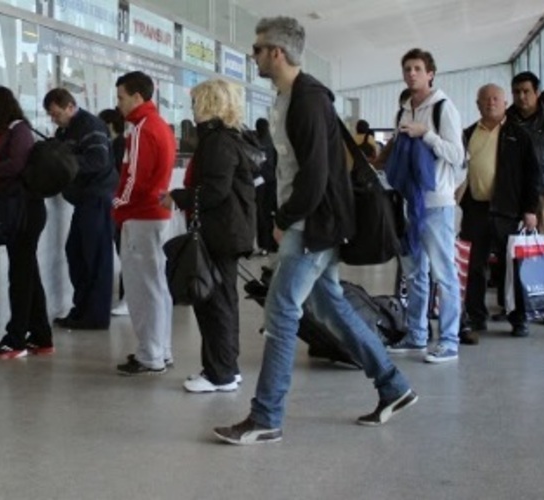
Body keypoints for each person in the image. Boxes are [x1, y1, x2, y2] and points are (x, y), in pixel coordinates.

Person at [213, 17, 415, 445]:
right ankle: (393, 385)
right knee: (331, 307)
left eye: (258, 49)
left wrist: (285, 220)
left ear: (277, 53)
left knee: (282, 311)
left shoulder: (307, 99)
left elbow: (316, 175)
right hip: (314, 222)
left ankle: (266, 416)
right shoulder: (290, 96)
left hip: (313, 225)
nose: (254, 56)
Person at [160, 79, 256, 392]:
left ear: (208, 104)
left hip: (220, 231)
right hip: (230, 230)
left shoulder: (217, 142)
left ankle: (220, 374)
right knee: (222, 300)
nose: (191, 109)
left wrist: (179, 196)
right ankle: (226, 367)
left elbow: (215, 190)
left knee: (213, 302)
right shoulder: (231, 138)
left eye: (195, 102)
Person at [384, 48, 465, 363]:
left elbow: (457, 156)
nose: (412, 73)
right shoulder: (403, 110)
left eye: (418, 68)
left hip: (436, 204)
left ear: (430, 73)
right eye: (407, 68)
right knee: (414, 273)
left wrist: (426, 135)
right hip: (408, 204)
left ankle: (449, 340)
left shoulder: (444, 108)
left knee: (444, 274)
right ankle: (417, 336)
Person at [0, 86, 54, 359]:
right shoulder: (1, 133)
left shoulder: (18, 129)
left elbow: (16, 166)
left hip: (25, 211)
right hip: (17, 209)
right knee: (28, 272)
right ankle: (41, 335)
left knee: (20, 276)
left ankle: (16, 339)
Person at [460, 84, 540, 341]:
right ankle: (476, 316)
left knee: (513, 269)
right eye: (485, 100)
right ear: (477, 104)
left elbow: (532, 175)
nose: (490, 103)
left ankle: (519, 319)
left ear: (505, 103)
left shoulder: (520, 134)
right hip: (476, 209)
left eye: (495, 99)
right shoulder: (468, 134)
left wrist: (529, 210)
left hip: (509, 211)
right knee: (474, 266)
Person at [113, 71, 176, 375]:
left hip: (140, 215)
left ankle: (149, 354)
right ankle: (160, 350)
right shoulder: (161, 126)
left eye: (122, 97)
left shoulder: (140, 129)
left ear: (138, 97)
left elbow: (134, 178)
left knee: (142, 288)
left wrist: (118, 203)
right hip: (157, 215)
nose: (119, 104)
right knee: (158, 286)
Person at [44, 88, 118, 330]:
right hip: (82, 200)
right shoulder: (65, 130)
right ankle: (82, 308)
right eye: (51, 116)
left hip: (97, 198)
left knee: (95, 258)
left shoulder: (90, 126)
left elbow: (98, 160)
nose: (54, 119)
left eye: (56, 113)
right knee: (76, 253)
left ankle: (95, 316)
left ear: (69, 106)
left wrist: (65, 163)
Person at [98, 108, 129, 316]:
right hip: (119, 203)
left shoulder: (118, 145)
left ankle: (127, 298)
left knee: (124, 249)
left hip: (120, 203)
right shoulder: (119, 144)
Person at [507, 71, 544, 234]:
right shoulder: (505, 122)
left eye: (526, 91)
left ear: (537, 93)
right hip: (521, 194)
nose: (521, 96)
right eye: (516, 92)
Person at [254, 117, 278, 255]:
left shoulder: (257, 143)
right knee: (271, 213)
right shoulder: (273, 142)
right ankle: (274, 244)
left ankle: (264, 245)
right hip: (273, 182)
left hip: (259, 183)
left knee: (261, 214)